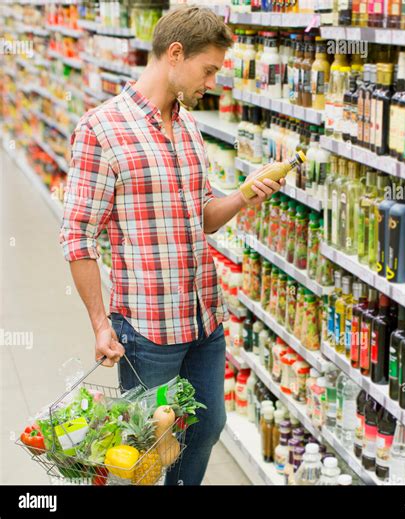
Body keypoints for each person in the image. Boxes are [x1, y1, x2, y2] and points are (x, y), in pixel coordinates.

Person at [59, 6, 285, 485]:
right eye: (209, 69)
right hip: (147, 330)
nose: (213, 81)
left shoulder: (189, 128)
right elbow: (77, 236)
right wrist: (101, 326)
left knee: (206, 426)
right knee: (148, 446)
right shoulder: (102, 129)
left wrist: (246, 193)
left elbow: (203, 217)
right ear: (175, 55)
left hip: (204, 319)